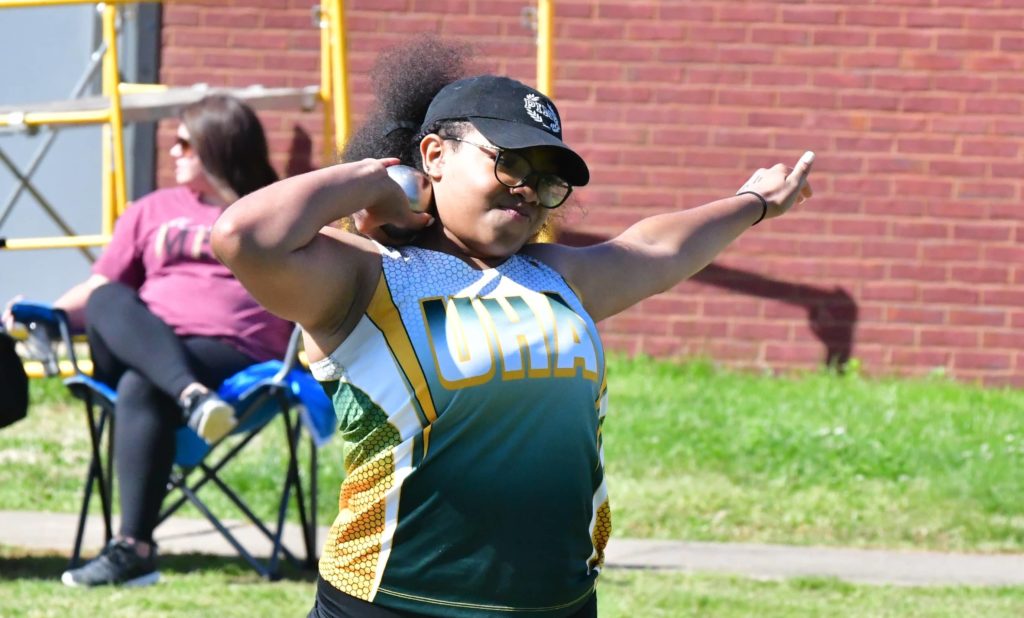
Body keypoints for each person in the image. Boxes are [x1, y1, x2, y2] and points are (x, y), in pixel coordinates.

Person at [211, 37, 813, 618]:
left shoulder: (556, 276)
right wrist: (376, 180)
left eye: (547, 178)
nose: (528, 188)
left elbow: (657, 247)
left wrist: (754, 202)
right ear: (434, 156)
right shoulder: (364, 277)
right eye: (509, 162)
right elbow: (244, 237)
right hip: (391, 603)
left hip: (557, 603)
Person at [3, 94, 292, 588]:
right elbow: (99, 288)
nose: (173, 151)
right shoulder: (152, 210)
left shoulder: (274, 207)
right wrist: (46, 316)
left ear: (218, 145)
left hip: (235, 355)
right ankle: (191, 395)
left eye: (185, 142)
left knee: (140, 387)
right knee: (107, 297)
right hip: (152, 346)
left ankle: (133, 551)